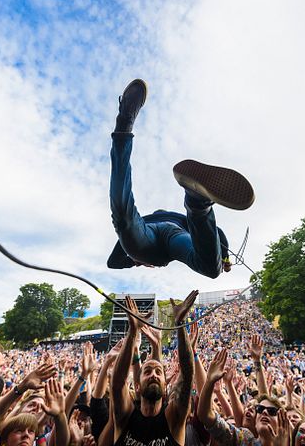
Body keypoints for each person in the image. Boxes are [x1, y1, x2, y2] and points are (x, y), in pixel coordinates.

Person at [107, 79, 255, 279]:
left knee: (124, 219)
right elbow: (217, 233)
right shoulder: (179, 220)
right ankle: (197, 203)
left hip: (147, 235)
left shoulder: (145, 221)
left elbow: (113, 263)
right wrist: (226, 259)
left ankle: (198, 202)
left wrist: (134, 261)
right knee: (211, 268)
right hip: (175, 235)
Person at [110, 291, 197, 446]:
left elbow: (187, 375)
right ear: (137, 385)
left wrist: (180, 324)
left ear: (165, 387)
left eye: (158, 372)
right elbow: (117, 383)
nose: (154, 375)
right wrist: (133, 331)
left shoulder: (173, 417)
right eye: (147, 371)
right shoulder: (125, 415)